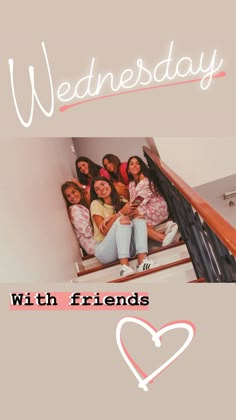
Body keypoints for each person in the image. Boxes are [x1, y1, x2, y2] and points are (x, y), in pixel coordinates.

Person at [90, 176, 156, 278]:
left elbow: (137, 218)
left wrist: (133, 212)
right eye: (97, 189)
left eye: (103, 184)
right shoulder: (96, 204)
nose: (101, 189)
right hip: (105, 250)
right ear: (96, 194)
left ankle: (142, 262)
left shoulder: (121, 200)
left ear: (109, 184)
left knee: (139, 217)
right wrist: (120, 214)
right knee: (123, 219)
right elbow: (104, 231)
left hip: (125, 246)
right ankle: (124, 267)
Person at [127, 156, 179, 247]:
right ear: (128, 170)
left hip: (157, 208)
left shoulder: (145, 181)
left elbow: (138, 201)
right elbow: (133, 202)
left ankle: (164, 236)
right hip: (144, 208)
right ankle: (167, 233)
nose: (135, 165)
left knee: (136, 222)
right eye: (131, 164)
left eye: (137, 163)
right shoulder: (131, 184)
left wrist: (129, 213)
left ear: (141, 166)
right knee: (134, 221)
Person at [61, 181, 95, 255]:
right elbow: (87, 232)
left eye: (73, 192)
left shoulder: (82, 206)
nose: (72, 196)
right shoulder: (75, 210)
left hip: (97, 242)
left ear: (79, 191)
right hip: (94, 246)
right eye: (68, 196)